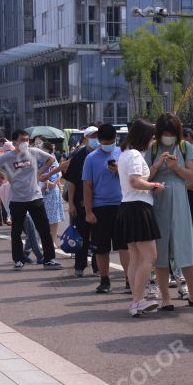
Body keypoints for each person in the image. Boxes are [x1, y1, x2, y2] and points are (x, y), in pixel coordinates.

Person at [148, 113, 193, 310]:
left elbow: (192, 176)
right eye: (164, 132)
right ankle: (165, 297)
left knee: (185, 246)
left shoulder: (185, 147)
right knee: (161, 249)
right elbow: (145, 176)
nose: (168, 136)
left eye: (171, 133)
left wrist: (176, 167)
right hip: (159, 199)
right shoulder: (153, 147)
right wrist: (157, 165)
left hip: (181, 199)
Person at [0, 129, 60, 269]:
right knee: (16, 232)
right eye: (22, 140)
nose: (25, 142)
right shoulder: (8, 156)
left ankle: (49, 258)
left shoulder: (33, 152)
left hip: (35, 196)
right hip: (17, 199)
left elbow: (51, 159)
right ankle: (18, 260)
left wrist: (40, 172)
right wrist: (6, 174)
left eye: (27, 140)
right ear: (14, 142)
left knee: (44, 229)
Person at [115, 119, 164, 316]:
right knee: (149, 257)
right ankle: (137, 300)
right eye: (152, 137)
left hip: (127, 207)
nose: (153, 140)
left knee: (135, 257)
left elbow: (139, 178)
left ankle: (136, 301)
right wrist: (155, 186)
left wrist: (156, 168)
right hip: (139, 208)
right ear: (144, 137)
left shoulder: (126, 154)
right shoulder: (135, 155)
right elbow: (136, 181)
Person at [84, 124, 128, 293]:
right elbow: (87, 186)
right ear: (99, 140)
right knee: (101, 248)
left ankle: (129, 279)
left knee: (124, 246)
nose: (109, 144)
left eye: (112, 141)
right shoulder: (91, 158)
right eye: (105, 141)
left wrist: (119, 171)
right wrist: (88, 211)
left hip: (122, 206)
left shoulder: (123, 154)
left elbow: (132, 179)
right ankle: (104, 279)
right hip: (100, 207)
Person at [63, 126, 100, 277]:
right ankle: (80, 265)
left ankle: (98, 267)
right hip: (81, 203)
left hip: (100, 203)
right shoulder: (78, 157)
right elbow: (71, 182)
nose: (95, 140)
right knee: (82, 236)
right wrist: (71, 203)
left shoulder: (105, 155)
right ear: (85, 139)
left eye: (98, 136)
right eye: (92, 136)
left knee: (99, 237)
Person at [39, 142, 65, 246]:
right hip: (40, 191)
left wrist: (53, 182)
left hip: (52, 190)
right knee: (42, 218)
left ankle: (53, 240)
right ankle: (45, 241)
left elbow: (59, 173)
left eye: (41, 148)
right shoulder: (37, 160)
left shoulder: (53, 159)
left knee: (54, 218)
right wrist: (41, 180)